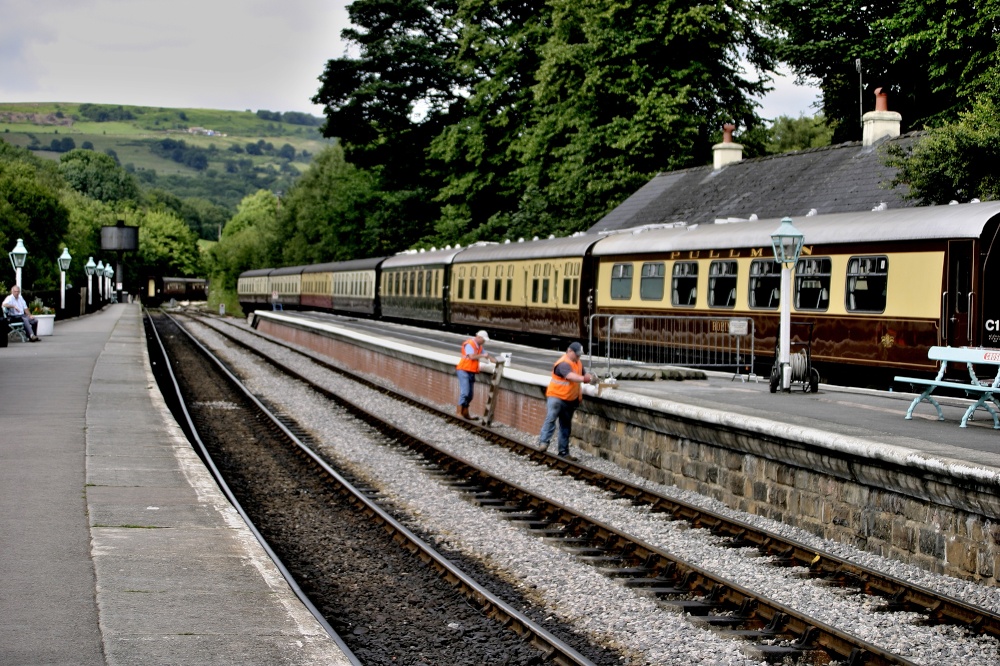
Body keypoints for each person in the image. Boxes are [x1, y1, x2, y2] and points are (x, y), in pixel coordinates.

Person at [538, 341, 593, 460]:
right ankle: (543, 442)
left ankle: (563, 452)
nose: (578, 357)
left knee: (565, 426)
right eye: (577, 354)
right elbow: (570, 376)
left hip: (569, 399)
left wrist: (590, 377)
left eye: (579, 355)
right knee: (551, 418)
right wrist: (584, 379)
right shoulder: (563, 363)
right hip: (556, 397)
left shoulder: (578, 363)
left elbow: (584, 373)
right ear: (569, 351)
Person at [455, 330, 495, 420]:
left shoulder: (479, 347)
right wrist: (483, 355)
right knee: (465, 392)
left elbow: (487, 356)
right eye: (483, 340)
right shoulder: (470, 344)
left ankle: (465, 412)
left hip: (471, 371)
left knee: (470, 395)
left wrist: (497, 361)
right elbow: (472, 356)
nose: (484, 342)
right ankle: (458, 412)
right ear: (479, 337)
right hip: (463, 370)